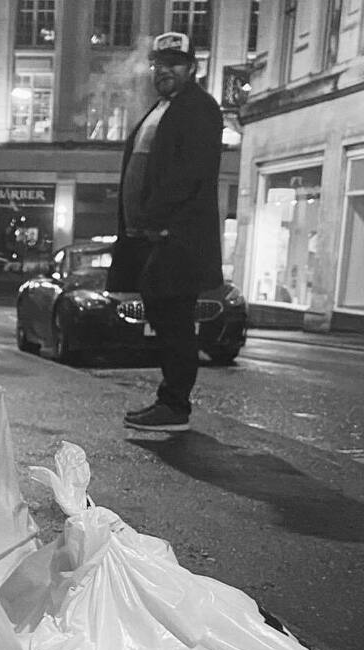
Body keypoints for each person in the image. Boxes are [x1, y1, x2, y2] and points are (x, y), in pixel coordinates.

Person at [108, 31, 224, 431]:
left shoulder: (199, 108)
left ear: (192, 68)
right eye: (159, 63)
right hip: (154, 234)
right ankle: (171, 402)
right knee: (165, 315)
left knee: (173, 319)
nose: (165, 70)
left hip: (177, 236)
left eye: (175, 63)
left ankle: (175, 406)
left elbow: (187, 175)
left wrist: (157, 221)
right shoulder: (162, 108)